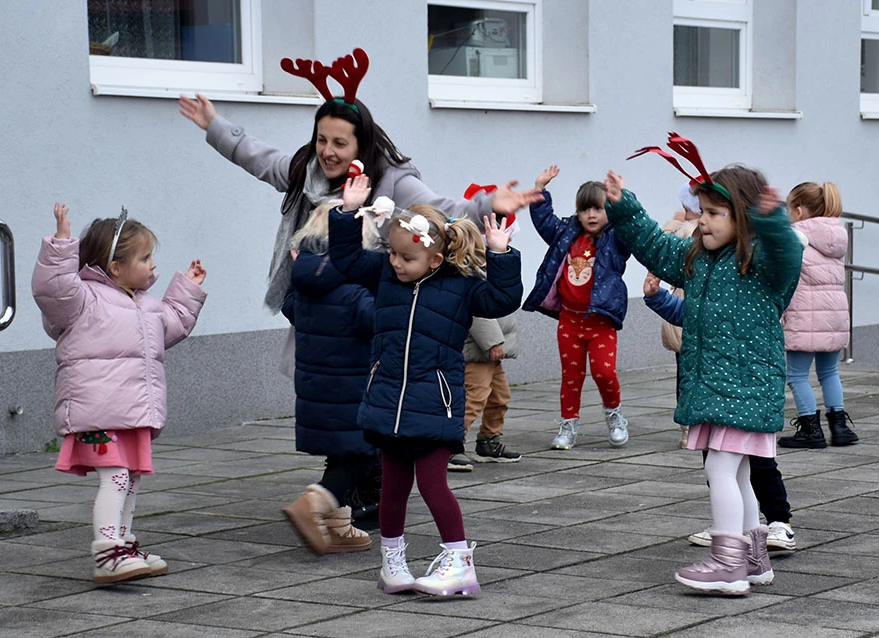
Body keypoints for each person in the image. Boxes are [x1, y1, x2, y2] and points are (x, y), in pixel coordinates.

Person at [177, 48, 540, 318]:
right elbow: (261, 159)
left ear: (361, 144)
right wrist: (215, 125)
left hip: (368, 320)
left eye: (339, 143)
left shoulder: (391, 180)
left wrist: (488, 204)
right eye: (322, 140)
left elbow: (444, 210)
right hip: (316, 317)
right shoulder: (306, 171)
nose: (327, 152)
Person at [605, 136, 803, 595]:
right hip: (717, 388)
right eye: (703, 211)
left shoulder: (760, 263)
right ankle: (753, 560)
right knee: (738, 474)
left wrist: (771, 220)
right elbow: (655, 246)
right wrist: (625, 208)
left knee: (719, 470)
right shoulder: (698, 258)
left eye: (716, 213)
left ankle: (727, 563)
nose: (704, 220)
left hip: (746, 387)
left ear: (743, 217)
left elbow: (787, 255)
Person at [327, 174, 522, 597]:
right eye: (393, 254)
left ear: (434, 259)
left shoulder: (461, 286)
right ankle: (392, 563)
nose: (396, 263)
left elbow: (503, 299)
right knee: (393, 487)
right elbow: (345, 259)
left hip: (435, 403)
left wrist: (501, 254)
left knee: (434, 484)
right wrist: (347, 212)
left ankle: (459, 563)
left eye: (406, 257)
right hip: (388, 401)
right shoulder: (385, 273)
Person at [32, 203, 207, 584]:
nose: (153, 266)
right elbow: (53, 289)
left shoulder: (145, 305)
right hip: (97, 413)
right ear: (115, 267)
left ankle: (123, 547)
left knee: (130, 479)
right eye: (145, 259)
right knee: (115, 478)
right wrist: (61, 243)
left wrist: (188, 289)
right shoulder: (82, 300)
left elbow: (173, 325)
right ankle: (107, 552)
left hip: (132, 413)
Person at [644, 274, 797, 553]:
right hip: (714, 392)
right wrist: (658, 297)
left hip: (743, 394)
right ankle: (744, 544)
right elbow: (691, 314)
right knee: (731, 471)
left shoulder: (751, 282)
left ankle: (770, 526)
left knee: (737, 466)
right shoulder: (711, 282)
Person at [279, 200, 378, 554]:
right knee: (363, 454)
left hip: (317, 389)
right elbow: (376, 323)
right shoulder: (354, 289)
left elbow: (289, 307)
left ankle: (338, 525)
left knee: (342, 453)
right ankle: (315, 502)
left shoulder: (305, 283)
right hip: (351, 390)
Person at [522, 165, 632, 450]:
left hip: (600, 322)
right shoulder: (566, 234)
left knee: (604, 372)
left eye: (598, 209)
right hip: (570, 321)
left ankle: (615, 415)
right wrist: (540, 189)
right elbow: (544, 221)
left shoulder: (615, 239)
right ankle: (568, 425)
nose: (591, 215)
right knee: (571, 376)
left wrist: (622, 202)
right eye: (585, 210)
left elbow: (631, 229)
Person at [777, 182, 857, 448]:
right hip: (834, 315)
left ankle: (811, 430)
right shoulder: (835, 236)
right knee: (829, 372)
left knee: (797, 375)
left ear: (799, 211)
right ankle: (840, 428)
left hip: (806, 315)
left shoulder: (794, 237)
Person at [447, 313, 522, 471]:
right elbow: (479, 313)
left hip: (488, 351)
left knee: (500, 397)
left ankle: (489, 441)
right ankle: (450, 445)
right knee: (474, 399)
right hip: (478, 350)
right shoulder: (478, 293)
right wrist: (493, 342)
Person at [658, 182, 702, 448]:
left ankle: (687, 428)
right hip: (694, 310)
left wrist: (672, 224)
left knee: (685, 373)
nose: (683, 213)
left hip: (685, 307)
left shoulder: (686, 233)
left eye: (687, 208)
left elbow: (661, 249)